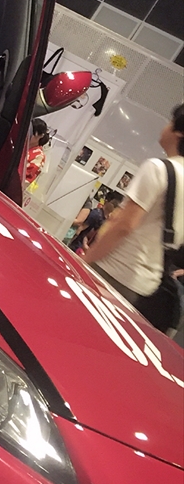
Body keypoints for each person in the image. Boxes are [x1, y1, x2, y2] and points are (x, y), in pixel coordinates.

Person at [83, 105, 184, 331]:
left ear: (179, 133)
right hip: (145, 285)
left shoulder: (159, 169)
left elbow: (124, 225)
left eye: (170, 121)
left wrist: (86, 261)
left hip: (113, 271)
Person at [24, 118, 50, 187]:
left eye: (31, 133)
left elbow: (24, 179)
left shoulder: (38, 156)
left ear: (40, 135)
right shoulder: (22, 145)